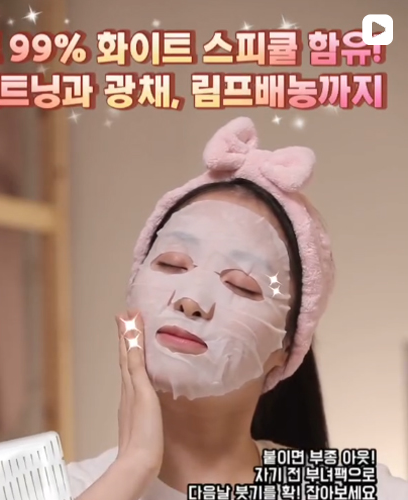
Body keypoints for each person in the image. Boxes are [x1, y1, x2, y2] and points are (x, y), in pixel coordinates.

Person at [67, 117, 408, 499]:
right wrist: (133, 467)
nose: (191, 301)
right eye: (172, 264)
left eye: (242, 286)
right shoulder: (55, 486)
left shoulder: (349, 489)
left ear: (287, 350)